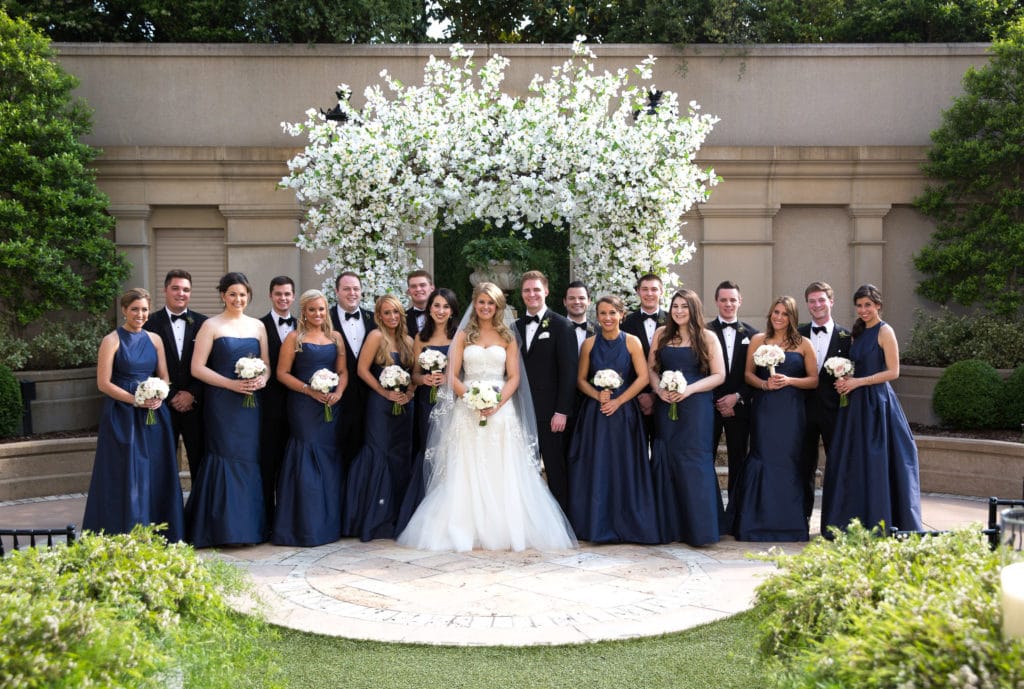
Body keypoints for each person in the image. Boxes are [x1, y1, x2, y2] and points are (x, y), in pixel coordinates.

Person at [397, 282, 577, 552]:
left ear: (497, 306)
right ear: (475, 303)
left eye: (490, 303)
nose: (485, 307)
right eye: (481, 302)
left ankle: (505, 527)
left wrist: (496, 403)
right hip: (467, 410)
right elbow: (452, 375)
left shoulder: (507, 335)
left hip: (501, 411)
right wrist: (470, 398)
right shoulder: (463, 334)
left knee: (501, 467)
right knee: (466, 467)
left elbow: (514, 376)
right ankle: (464, 527)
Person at [83, 288, 185, 541]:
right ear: (124, 310)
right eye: (135, 309)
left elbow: (165, 377)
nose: (140, 314)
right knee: (126, 470)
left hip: (154, 414)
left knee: (156, 468)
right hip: (122, 415)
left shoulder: (155, 339)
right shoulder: (111, 340)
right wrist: (135, 400)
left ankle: (159, 530)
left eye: (144, 309)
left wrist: (159, 395)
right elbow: (103, 383)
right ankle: (123, 529)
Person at [821, 284, 922, 534]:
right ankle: (854, 521)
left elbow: (893, 372)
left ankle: (881, 519)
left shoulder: (885, 331)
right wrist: (845, 379)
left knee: (877, 461)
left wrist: (858, 382)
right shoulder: (857, 332)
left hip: (877, 404)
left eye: (868, 305)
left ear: (878, 305)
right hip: (854, 406)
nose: (863, 310)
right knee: (854, 461)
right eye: (859, 305)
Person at [186, 272, 270, 547]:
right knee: (223, 455)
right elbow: (196, 368)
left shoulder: (258, 326)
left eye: (243, 294)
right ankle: (219, 528)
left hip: (250, 405)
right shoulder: (210, 325)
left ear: (249, 296)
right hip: (222, 403)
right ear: (223, 295)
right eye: (232, 294)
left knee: (249, 458)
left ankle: (247, 528)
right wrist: (230, 385)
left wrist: (261, 378)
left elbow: (267, 365)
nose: (238, 299)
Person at [568, 295, 658, 544]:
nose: (607, 318)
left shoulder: (632, 342)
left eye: (612, 313)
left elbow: (642, 378)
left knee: (624, 465)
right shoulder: (588, 344)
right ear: (597, 316)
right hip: (595, 416)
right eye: (602, 313)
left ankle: (627, 524)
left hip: (624, 414)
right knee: (597, 465)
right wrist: (598, 395)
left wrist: (619, 400)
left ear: (621, 315)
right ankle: (596, 524)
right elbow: (580, 380)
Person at [729, 296, 818, 542]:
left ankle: (789, 525)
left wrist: (790, 381)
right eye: (775, 312)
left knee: (789, 460)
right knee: (763, 457)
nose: (778, 317)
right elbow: (748, 375)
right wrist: (764, 385)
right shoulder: (758, 340)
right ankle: (755, 523)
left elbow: (814, 380)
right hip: (765, 409)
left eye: (784, 314)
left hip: (792, 410)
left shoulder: (804, 344)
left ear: (792, 317)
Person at [647, 290, 726, 546]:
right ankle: (669, 527)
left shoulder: (707, 337)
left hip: (697, 407)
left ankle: (699, 529)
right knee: (667, 458)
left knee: (694, 460)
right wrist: (659, 391)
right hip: (667, 406)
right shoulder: (661, 334)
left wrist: (689, 389)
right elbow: (651, 369)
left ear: (694, 309)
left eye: (684, 306)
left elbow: (719, 375)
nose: (679, 311)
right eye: (675, 306)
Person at [272, 289, 347, 546]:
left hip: (330, 405)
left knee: (328, 458)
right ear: (304, 311)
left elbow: (343, 371)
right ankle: (303, 526)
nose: (318, 314)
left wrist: (338, 392)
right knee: (306, 456)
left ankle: (327, 525)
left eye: (322, 309)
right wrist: (309, 390)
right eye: (312, 309)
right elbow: (282, 373)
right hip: (304, 405)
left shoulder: (336, 337)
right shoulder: (295, 337)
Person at [341, 295, 416, 541]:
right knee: (379, 453)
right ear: (379, 316)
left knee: (398, 456)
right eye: (386, 313)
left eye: (395, 312)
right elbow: (361, 370)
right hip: (379, 406)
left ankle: (394, 516)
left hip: (403, 408)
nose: (392, 317)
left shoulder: (407, 340)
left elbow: (414, 374)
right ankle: (373, 519)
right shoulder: (375, 337)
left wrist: (409, 392)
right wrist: (384, 392)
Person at [395, 287, 459, 535]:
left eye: (445, 306)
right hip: (426, 403)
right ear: (429, 309)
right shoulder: (420, 337)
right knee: (429, 450)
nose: (440, 311)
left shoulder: (459, 336)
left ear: (452, 310)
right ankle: (427, 511)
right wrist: (423, 381)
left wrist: (448, 379)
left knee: (451, 450)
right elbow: (414, 374)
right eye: (436, 306)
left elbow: (464, 372)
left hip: (452, 401)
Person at [515, 270, 578, 514]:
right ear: (522, 294)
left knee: (555, 469)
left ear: (546, 292)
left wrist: (562, 411)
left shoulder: (562, 326)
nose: (532, 294)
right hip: (522, 411)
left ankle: (562, 521)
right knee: (526, 469)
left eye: (536, 290)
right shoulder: (514, 327)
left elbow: (569, 373)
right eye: (527, 290)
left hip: (551, 414)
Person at [143, 269, 207, 481]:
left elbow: (210, 364)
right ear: (165, 290)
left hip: (196, 405)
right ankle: (167, 510)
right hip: (162, 406)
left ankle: (199, 510)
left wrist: (192, 393)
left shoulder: (203, 323)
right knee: (162, 462)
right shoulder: (149, 323)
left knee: (200, 460)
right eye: (176, 288)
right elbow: (146, 366)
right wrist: (169, 396)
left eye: (186, 289)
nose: (181, 293)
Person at [797, 281, 851, 523]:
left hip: (835, 411)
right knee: (804, 465)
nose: (817, 305)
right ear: (807, 304)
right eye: (812, 301)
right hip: (803, 410)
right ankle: (802, 517)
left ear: (831, 301)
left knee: (837, 464)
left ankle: (835, 520)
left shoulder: (847, 337)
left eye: (821, 300)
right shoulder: (797, 334)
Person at [707, 280, 759, 516]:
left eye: (732, 299)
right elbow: (701, 370)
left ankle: (736, 513)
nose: (728, 304)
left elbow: (756, 373)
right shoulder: (704, 332)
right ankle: (711, 512)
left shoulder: (753, 335)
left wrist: (736, 397)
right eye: (723, 299)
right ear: (716, 302)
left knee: (739, 460)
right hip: (709, 406)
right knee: (706, 459)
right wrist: (720, 400)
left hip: (740, 407)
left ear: (740, 301)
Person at [330, 272, 377, 468]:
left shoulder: (373, 319)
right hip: (335, 398)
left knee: (367, 451)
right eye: (347, 289)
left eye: (356, 289)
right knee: (338, 451)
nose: (352, 293)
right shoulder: (325, 318)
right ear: (337, 291)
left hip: (370, 398)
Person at [259, 275, 296, 524]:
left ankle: (287, 518)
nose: (283, 298)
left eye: (287, 294)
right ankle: (267, 519)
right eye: (278, 294)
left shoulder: (305, 325)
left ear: (293, 296)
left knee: (292, 463)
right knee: (268, 462)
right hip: (268, 406)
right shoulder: (258, 326)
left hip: (300, 405)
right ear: (271, 296)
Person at [621, 273, 666, 448]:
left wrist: (655, 395)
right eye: (644, 289)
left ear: (661, 292)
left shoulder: (673, 322)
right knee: (635, 450)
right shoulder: (625, 323)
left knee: (661, 450)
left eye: (654, 289)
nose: (649, 293)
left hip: (665, 397)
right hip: (634, 399)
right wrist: (639, 395)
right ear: (638, 292)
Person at [563, 280, 595, 353]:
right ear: (564, 302)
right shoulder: (555, 329)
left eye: (581, 298)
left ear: (589, 301)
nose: (577, 302)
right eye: (572, 298)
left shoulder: (599, 331)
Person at [405, 270, 434, 337]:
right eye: (413, 286)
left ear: (432, 288)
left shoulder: (443, 315)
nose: (418, 289)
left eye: (422, 285)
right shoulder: (402, 319)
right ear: (409, 291)